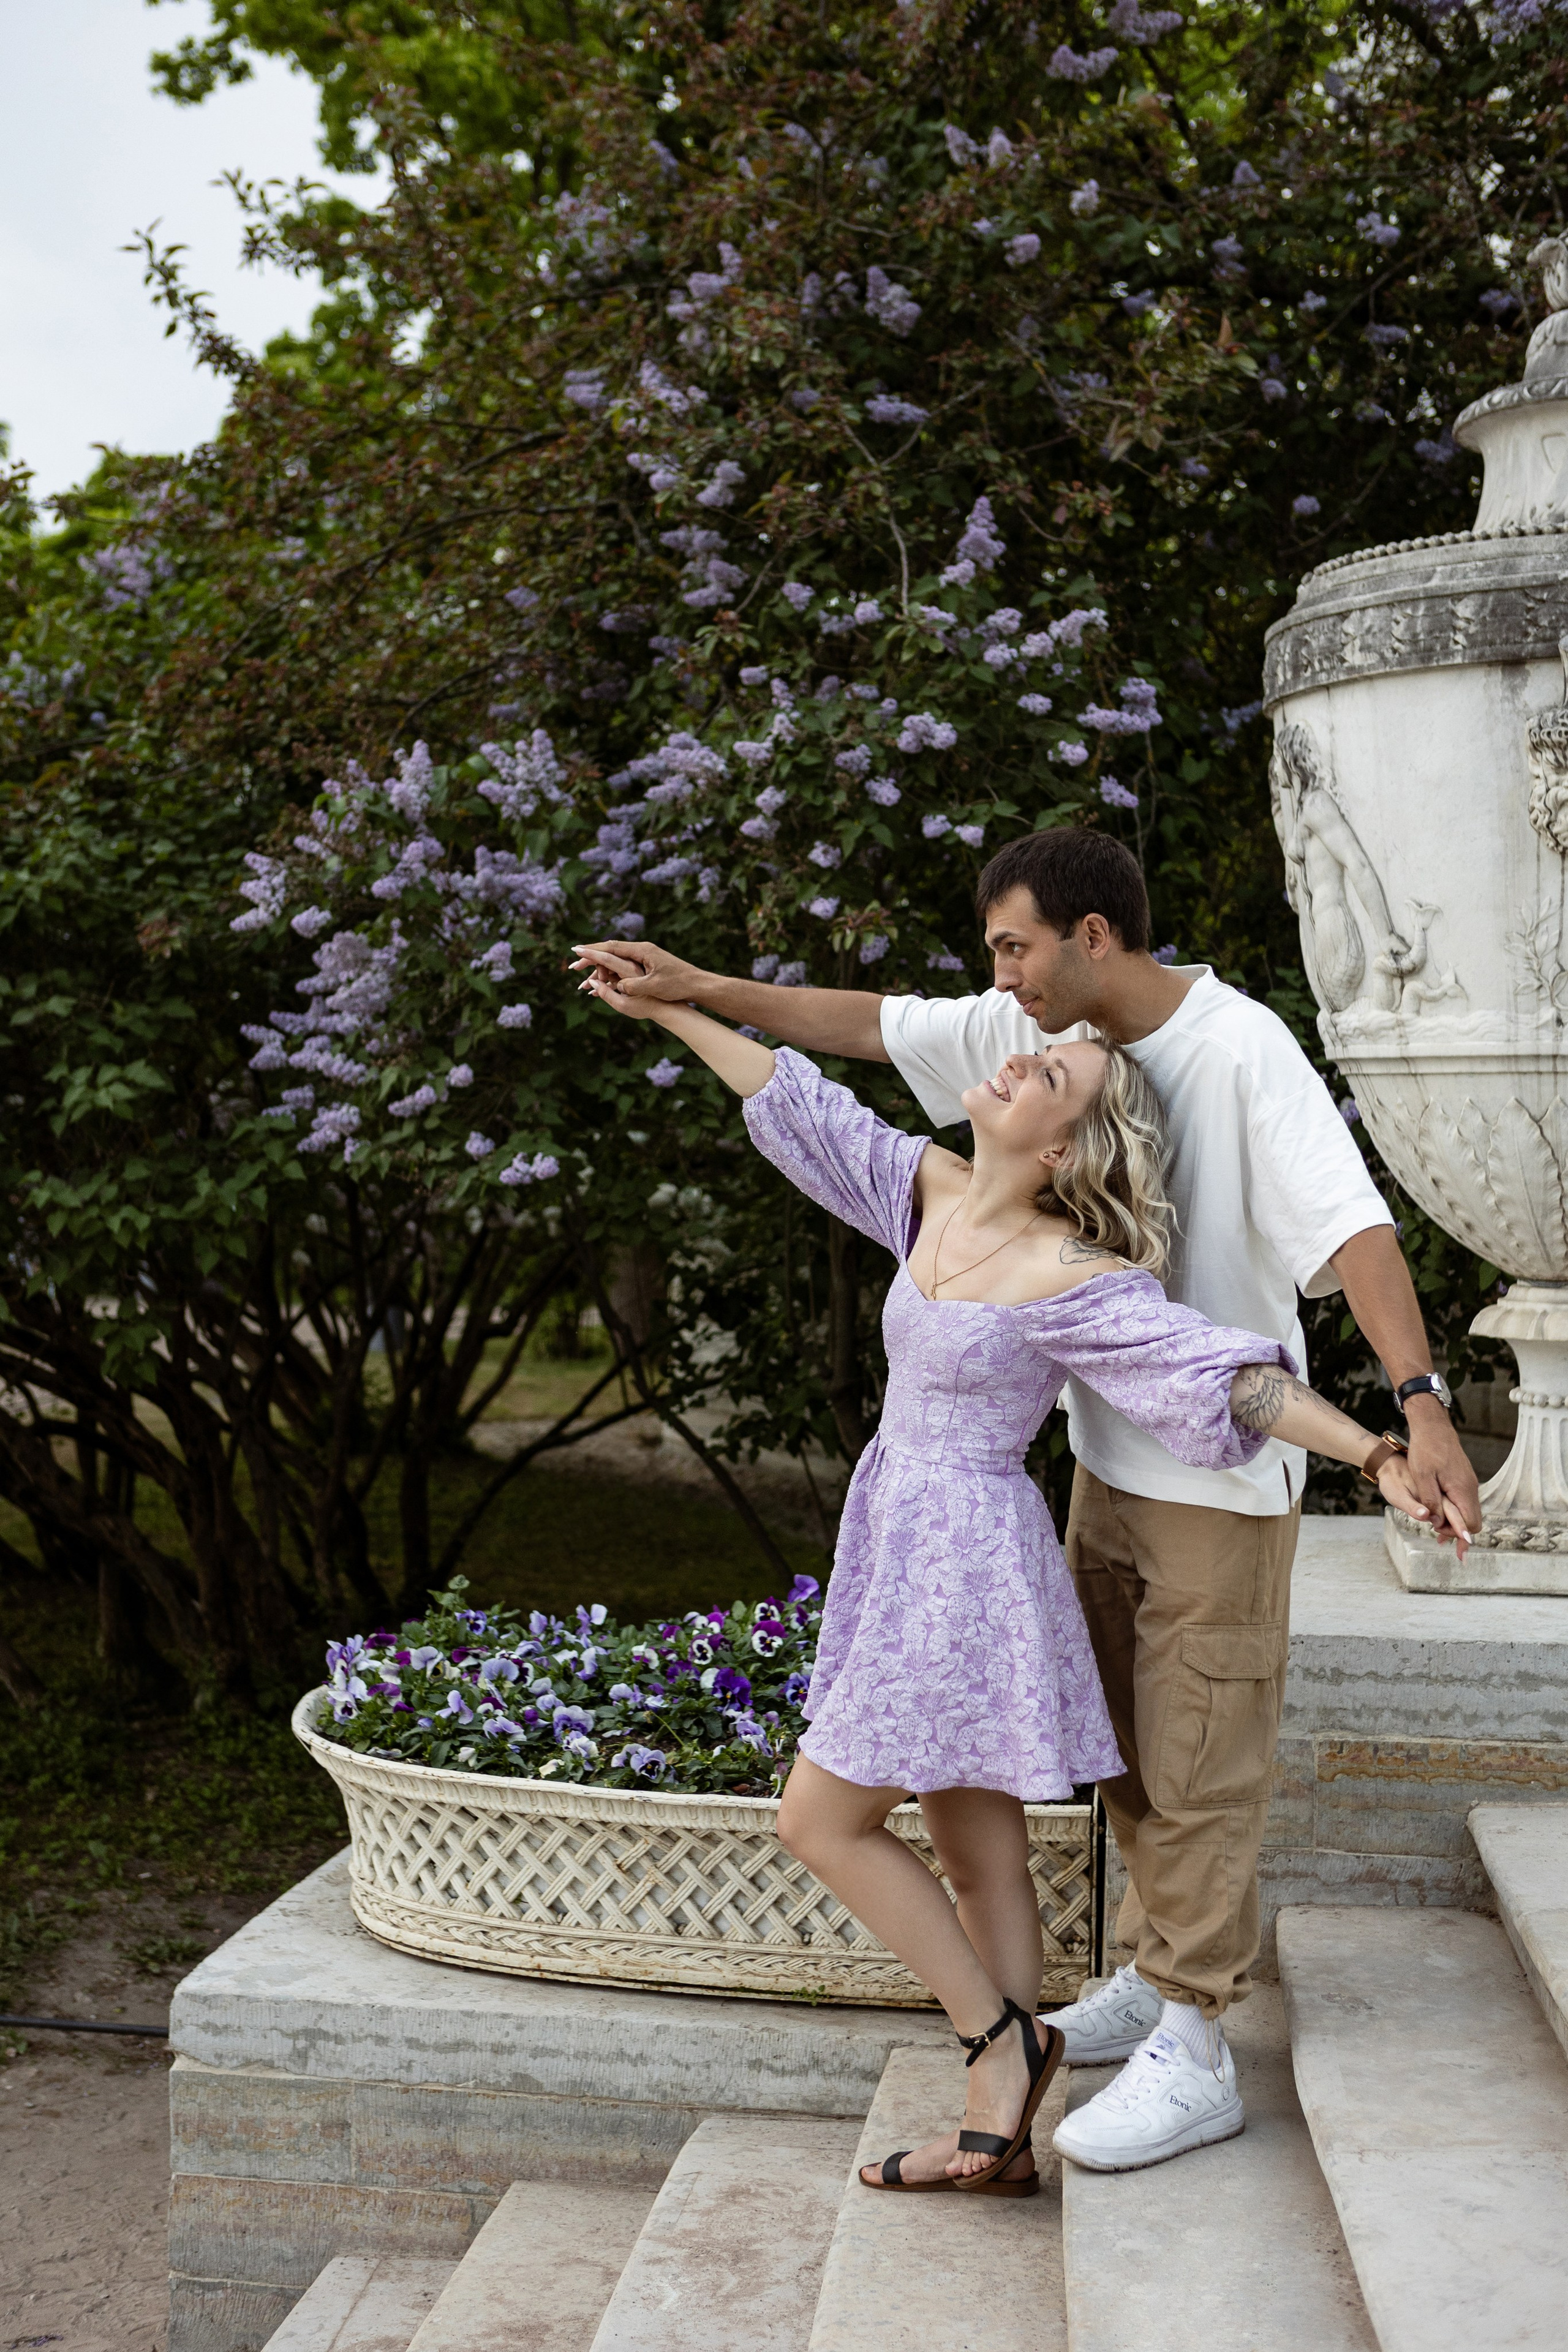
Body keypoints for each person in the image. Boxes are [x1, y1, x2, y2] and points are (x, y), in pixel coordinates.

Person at [571, 829, 1482, 2175]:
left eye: (1016, 954)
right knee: (1002, 1815)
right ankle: (1017, 2103)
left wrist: (1394, 1431)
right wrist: (683, 997)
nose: (1004, 1007)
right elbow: (819, 1082)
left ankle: (1125, 2036)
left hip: (1072, 1526)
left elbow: (1237, 1362)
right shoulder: (966, 1139)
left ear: (1089, 942)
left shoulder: (1195, 1101)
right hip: (1006, 1507)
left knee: (1137, 1768)